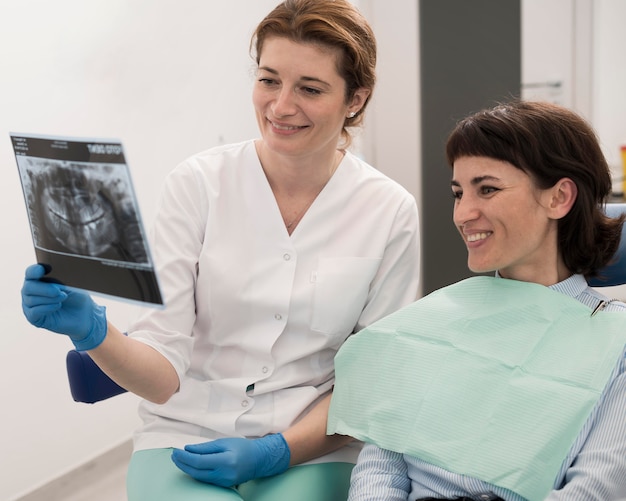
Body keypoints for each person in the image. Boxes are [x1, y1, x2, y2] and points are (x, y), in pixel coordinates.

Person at [20, 1, 420, 500]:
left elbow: (372, 382)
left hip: (312, 444)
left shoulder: (388, 210)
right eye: (269, 79)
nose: (280, 106)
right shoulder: (198, 185)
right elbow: (163, 371)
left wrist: (276, 451)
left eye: (310, 89)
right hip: (186, 437)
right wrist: (93, 331)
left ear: (355, 99)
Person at [327, 100, 626, 501]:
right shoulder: (430, 324)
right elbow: (380, 466)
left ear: (558, 198)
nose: (462, 214)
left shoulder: (615, 341)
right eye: (458, 193)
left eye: (487, 189)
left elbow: (594, 490)